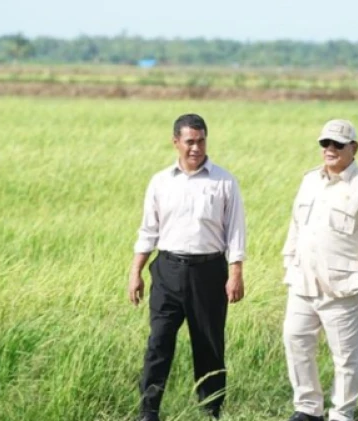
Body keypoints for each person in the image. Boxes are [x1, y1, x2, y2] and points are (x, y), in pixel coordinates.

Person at [128, 113, 246, 421]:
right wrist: (136, 271)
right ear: (176, 142)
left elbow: (235, 231)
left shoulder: (224, 181)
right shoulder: (161, 181)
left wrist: (235, 273)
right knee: (158, 343)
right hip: (167, 270)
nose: (196, 147)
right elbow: (148, 230)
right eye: (190, 141)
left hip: (209, 273)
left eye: (201, 140)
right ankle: (149, 411)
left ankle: (211, 411)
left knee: (208, 345)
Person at [281, 119, 358, 421]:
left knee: (345, 357)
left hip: (344, 287)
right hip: (303, 282)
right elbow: (296, 226)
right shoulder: (309, 181)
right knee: (296, 341)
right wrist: (289, 261)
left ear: (353, 148)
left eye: (338, 144)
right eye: (325, 144)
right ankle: (307, 409)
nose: (330, 149)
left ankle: (342, 413)